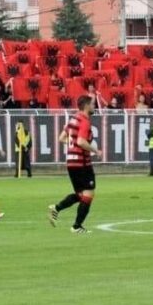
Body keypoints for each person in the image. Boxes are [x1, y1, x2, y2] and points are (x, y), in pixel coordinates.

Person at [48, 95, 102, 234]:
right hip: (82, 163)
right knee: (88, 194)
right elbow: (81, 142)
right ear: (86, 106)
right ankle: (77, 226)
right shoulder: (84, 121)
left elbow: (61, 138)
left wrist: (72, 146)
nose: (94, 106)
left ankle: (56, 208)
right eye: (93, 104)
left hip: (71, 162)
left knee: (80, 195)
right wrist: (96, 150)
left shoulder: (73, 119)